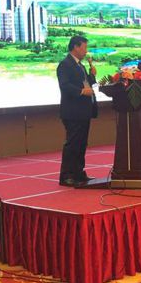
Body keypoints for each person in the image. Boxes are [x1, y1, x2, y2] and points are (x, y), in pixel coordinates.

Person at [56, 35, 98, 187]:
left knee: (81, 143)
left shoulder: (80, 65)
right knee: (73, 144)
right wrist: (81, 92)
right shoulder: (65, 65)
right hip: (73, 111)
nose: (86, 51)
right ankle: (67, 175)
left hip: (84, 110)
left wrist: (92, 75)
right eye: (84, 47)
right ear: (75, 47)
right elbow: (65, 85)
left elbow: (87, 84)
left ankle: (79, 173)